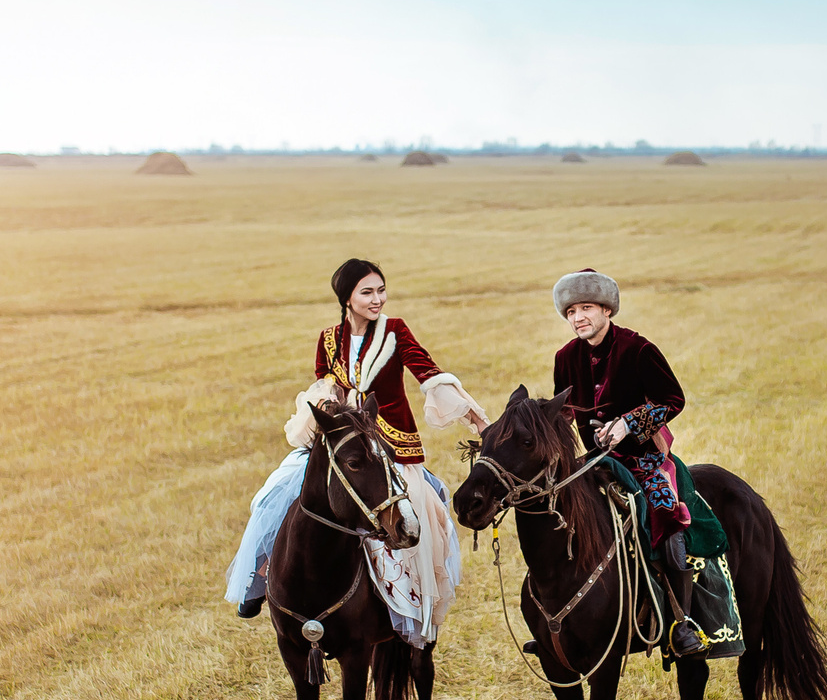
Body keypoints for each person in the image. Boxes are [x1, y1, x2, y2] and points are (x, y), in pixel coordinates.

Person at [225, 258, 487, 648]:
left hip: (391, 449)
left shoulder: (396, 331)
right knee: (276, 492)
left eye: (381, 290)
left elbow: (428, 373)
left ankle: (412, 608)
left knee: (424, 509)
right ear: (346, 298)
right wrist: (330, 410)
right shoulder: (329, 338)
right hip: (344, 445)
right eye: (367, 292)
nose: (377, 299)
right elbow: (323, 382)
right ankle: (258, 581)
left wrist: (476, 420)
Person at [550, 268, 708, 657]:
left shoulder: (638, 349)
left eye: (586, 308)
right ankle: (556, 619)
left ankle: (680, 621)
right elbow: (563, 411)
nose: (577, 318)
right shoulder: (565, 357)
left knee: (667, 513)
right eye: (570, 311)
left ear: (607, 309)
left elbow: (674, 399)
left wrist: (627, 423)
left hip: (644, 459)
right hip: (595, 462)